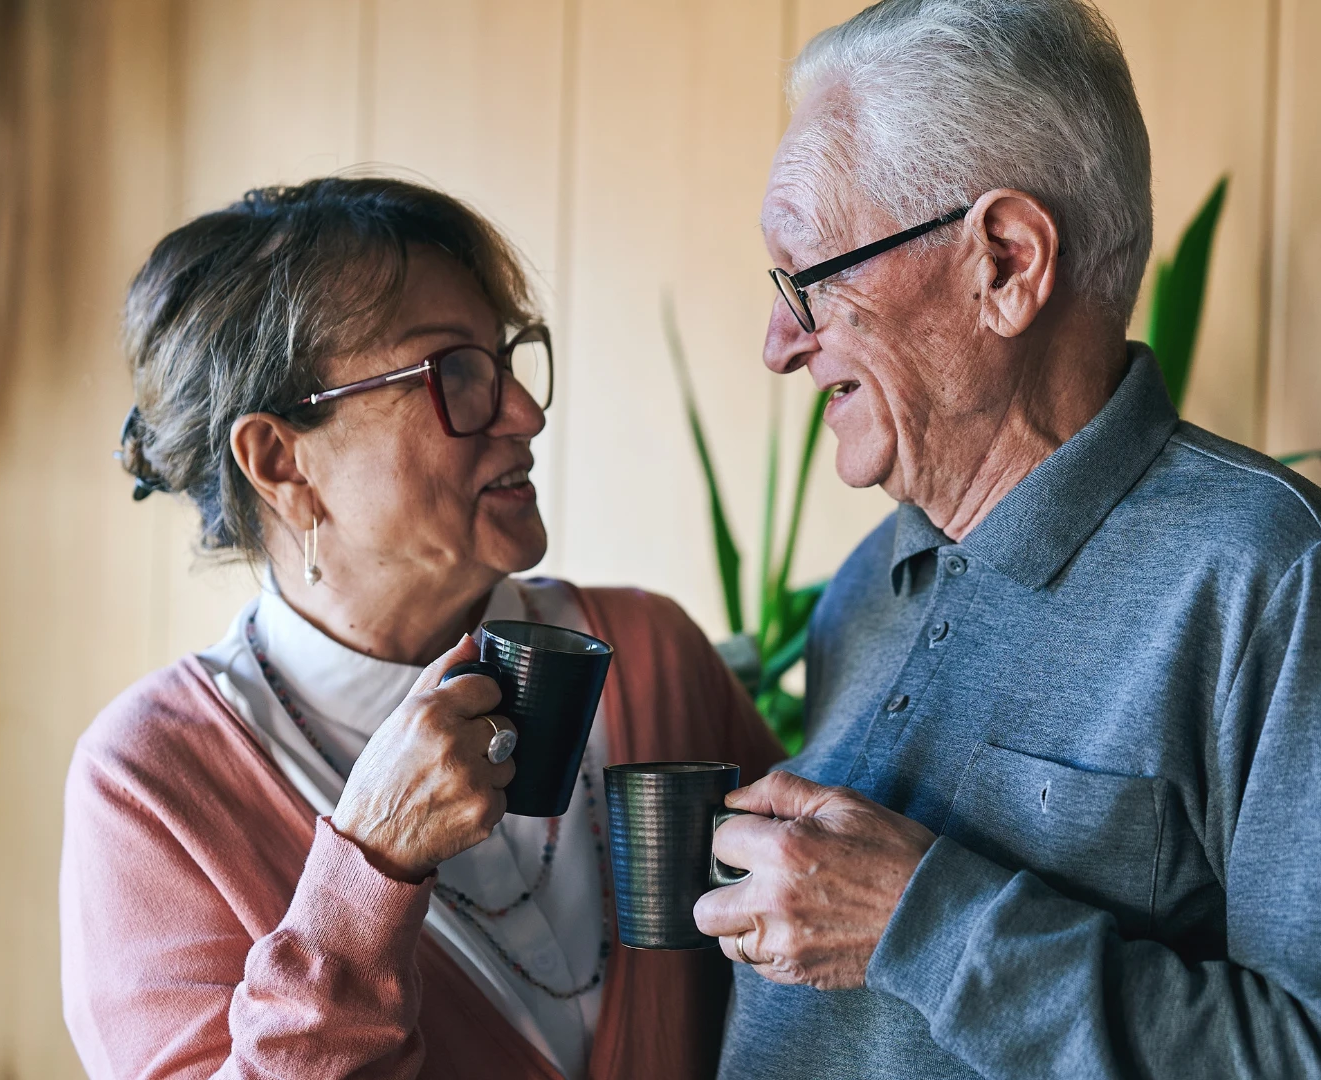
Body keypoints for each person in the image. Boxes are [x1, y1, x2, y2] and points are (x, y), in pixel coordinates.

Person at [691, 2, 1321, 1077]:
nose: (779, 344)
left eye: (815, 277)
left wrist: (922, 926)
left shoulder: (1279, 582)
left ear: (1007, 263)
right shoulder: (866, 587)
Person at [58, 176, 780, 1080]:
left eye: (506, 360)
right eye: (454, 374)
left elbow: (817, 987)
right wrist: (370, 868)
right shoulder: (152, 781)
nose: (526, 414)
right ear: (280, 460)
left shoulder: (650, 657)